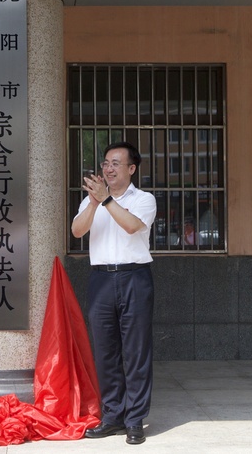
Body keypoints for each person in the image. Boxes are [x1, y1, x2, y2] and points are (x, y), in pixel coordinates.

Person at [71, 141, 157, 446]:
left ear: (131, 169)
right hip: (101, 279)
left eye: (115, 163)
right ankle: (112, 416)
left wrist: (107, 200)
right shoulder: (92, 201)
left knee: (135, 352)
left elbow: (132, 226)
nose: (108, 168)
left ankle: (135, 420)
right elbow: (77, 231)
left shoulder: (143, 199)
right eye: (106, 163)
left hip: (135, 277)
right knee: (105, 352)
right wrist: (94, 202)